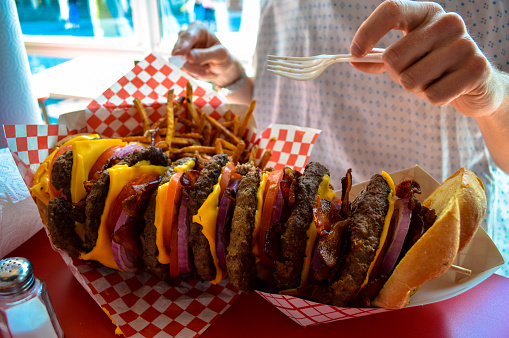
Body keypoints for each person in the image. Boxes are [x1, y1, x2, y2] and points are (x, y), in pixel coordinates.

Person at [171, 0, 509, 277]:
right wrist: (234, 78)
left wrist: (492, 92)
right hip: (269, 253)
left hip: (441, 272)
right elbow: (285, 98)